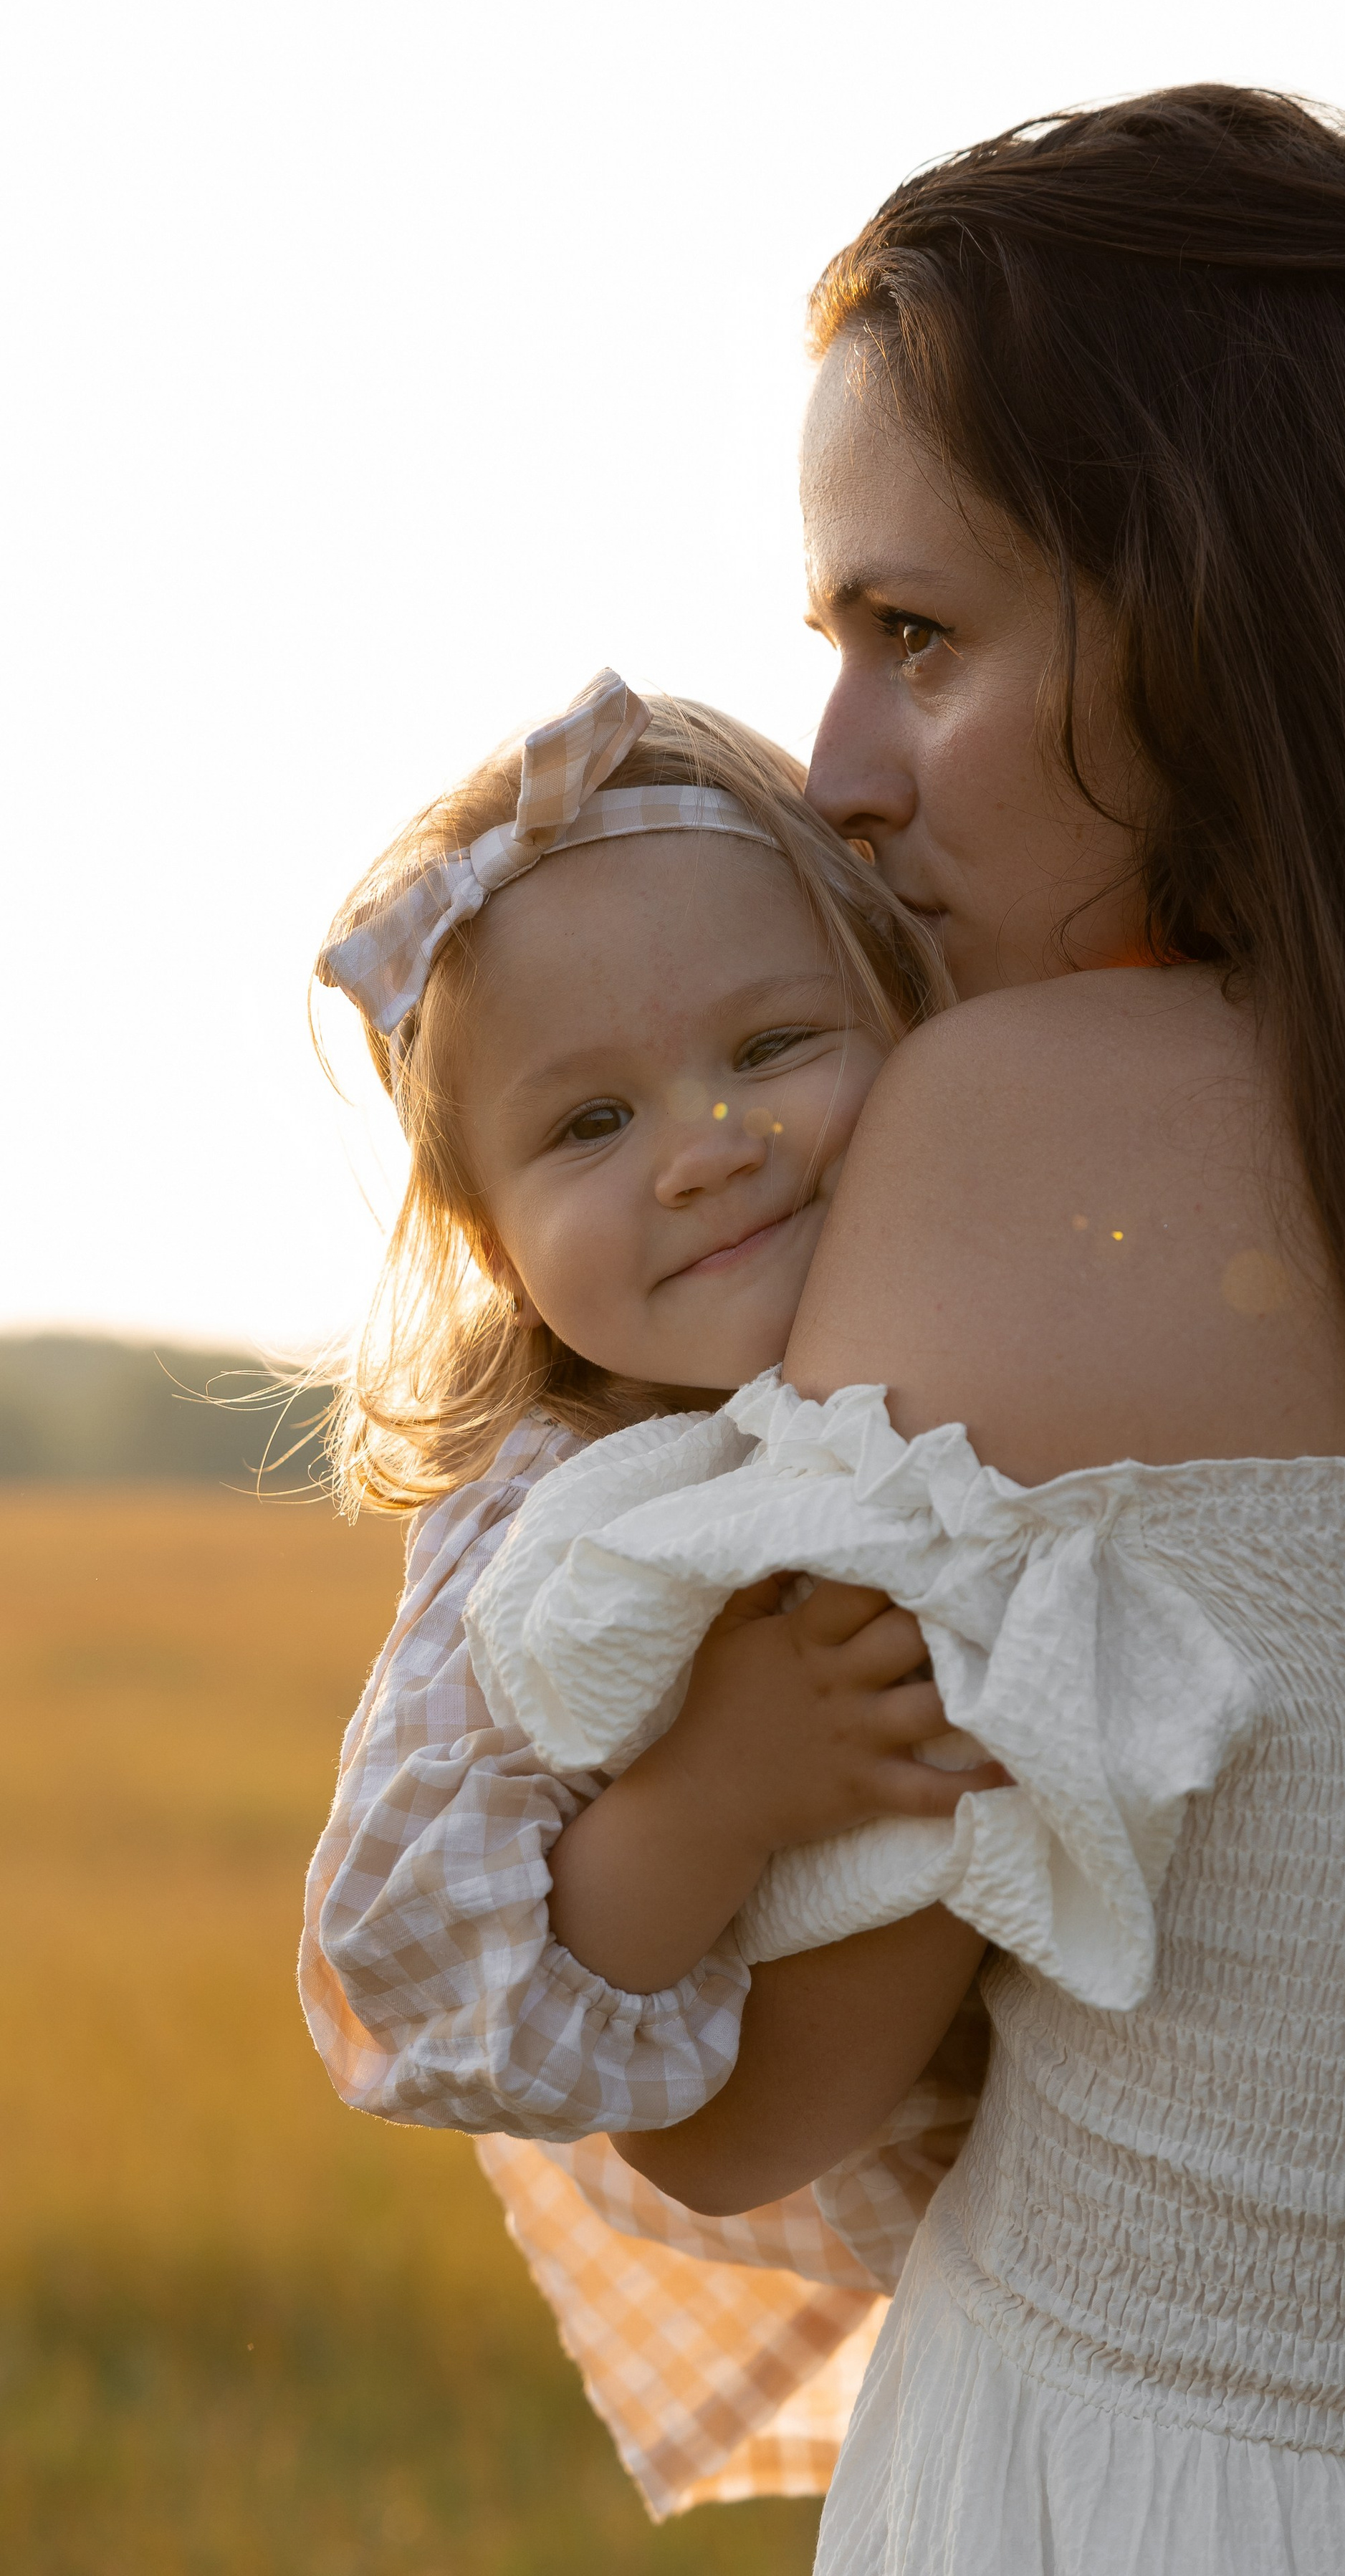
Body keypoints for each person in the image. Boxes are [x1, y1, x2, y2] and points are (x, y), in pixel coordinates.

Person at [589, 88, 1345, 2570]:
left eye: (918, 637)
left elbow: (747, 2119)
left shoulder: (1005, 1130)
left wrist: (649, 1786)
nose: (837, 775)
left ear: (1217, 611)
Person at [298, 670, 997, 2512]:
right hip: (985, 2254)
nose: (704, 1148)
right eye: (589, 1124)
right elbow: (434, 1950)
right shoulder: (557, 1517)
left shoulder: (1007, 1322)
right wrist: (721, 1786)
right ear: (494, 1245)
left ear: (910, 1013)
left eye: (771, 1046)